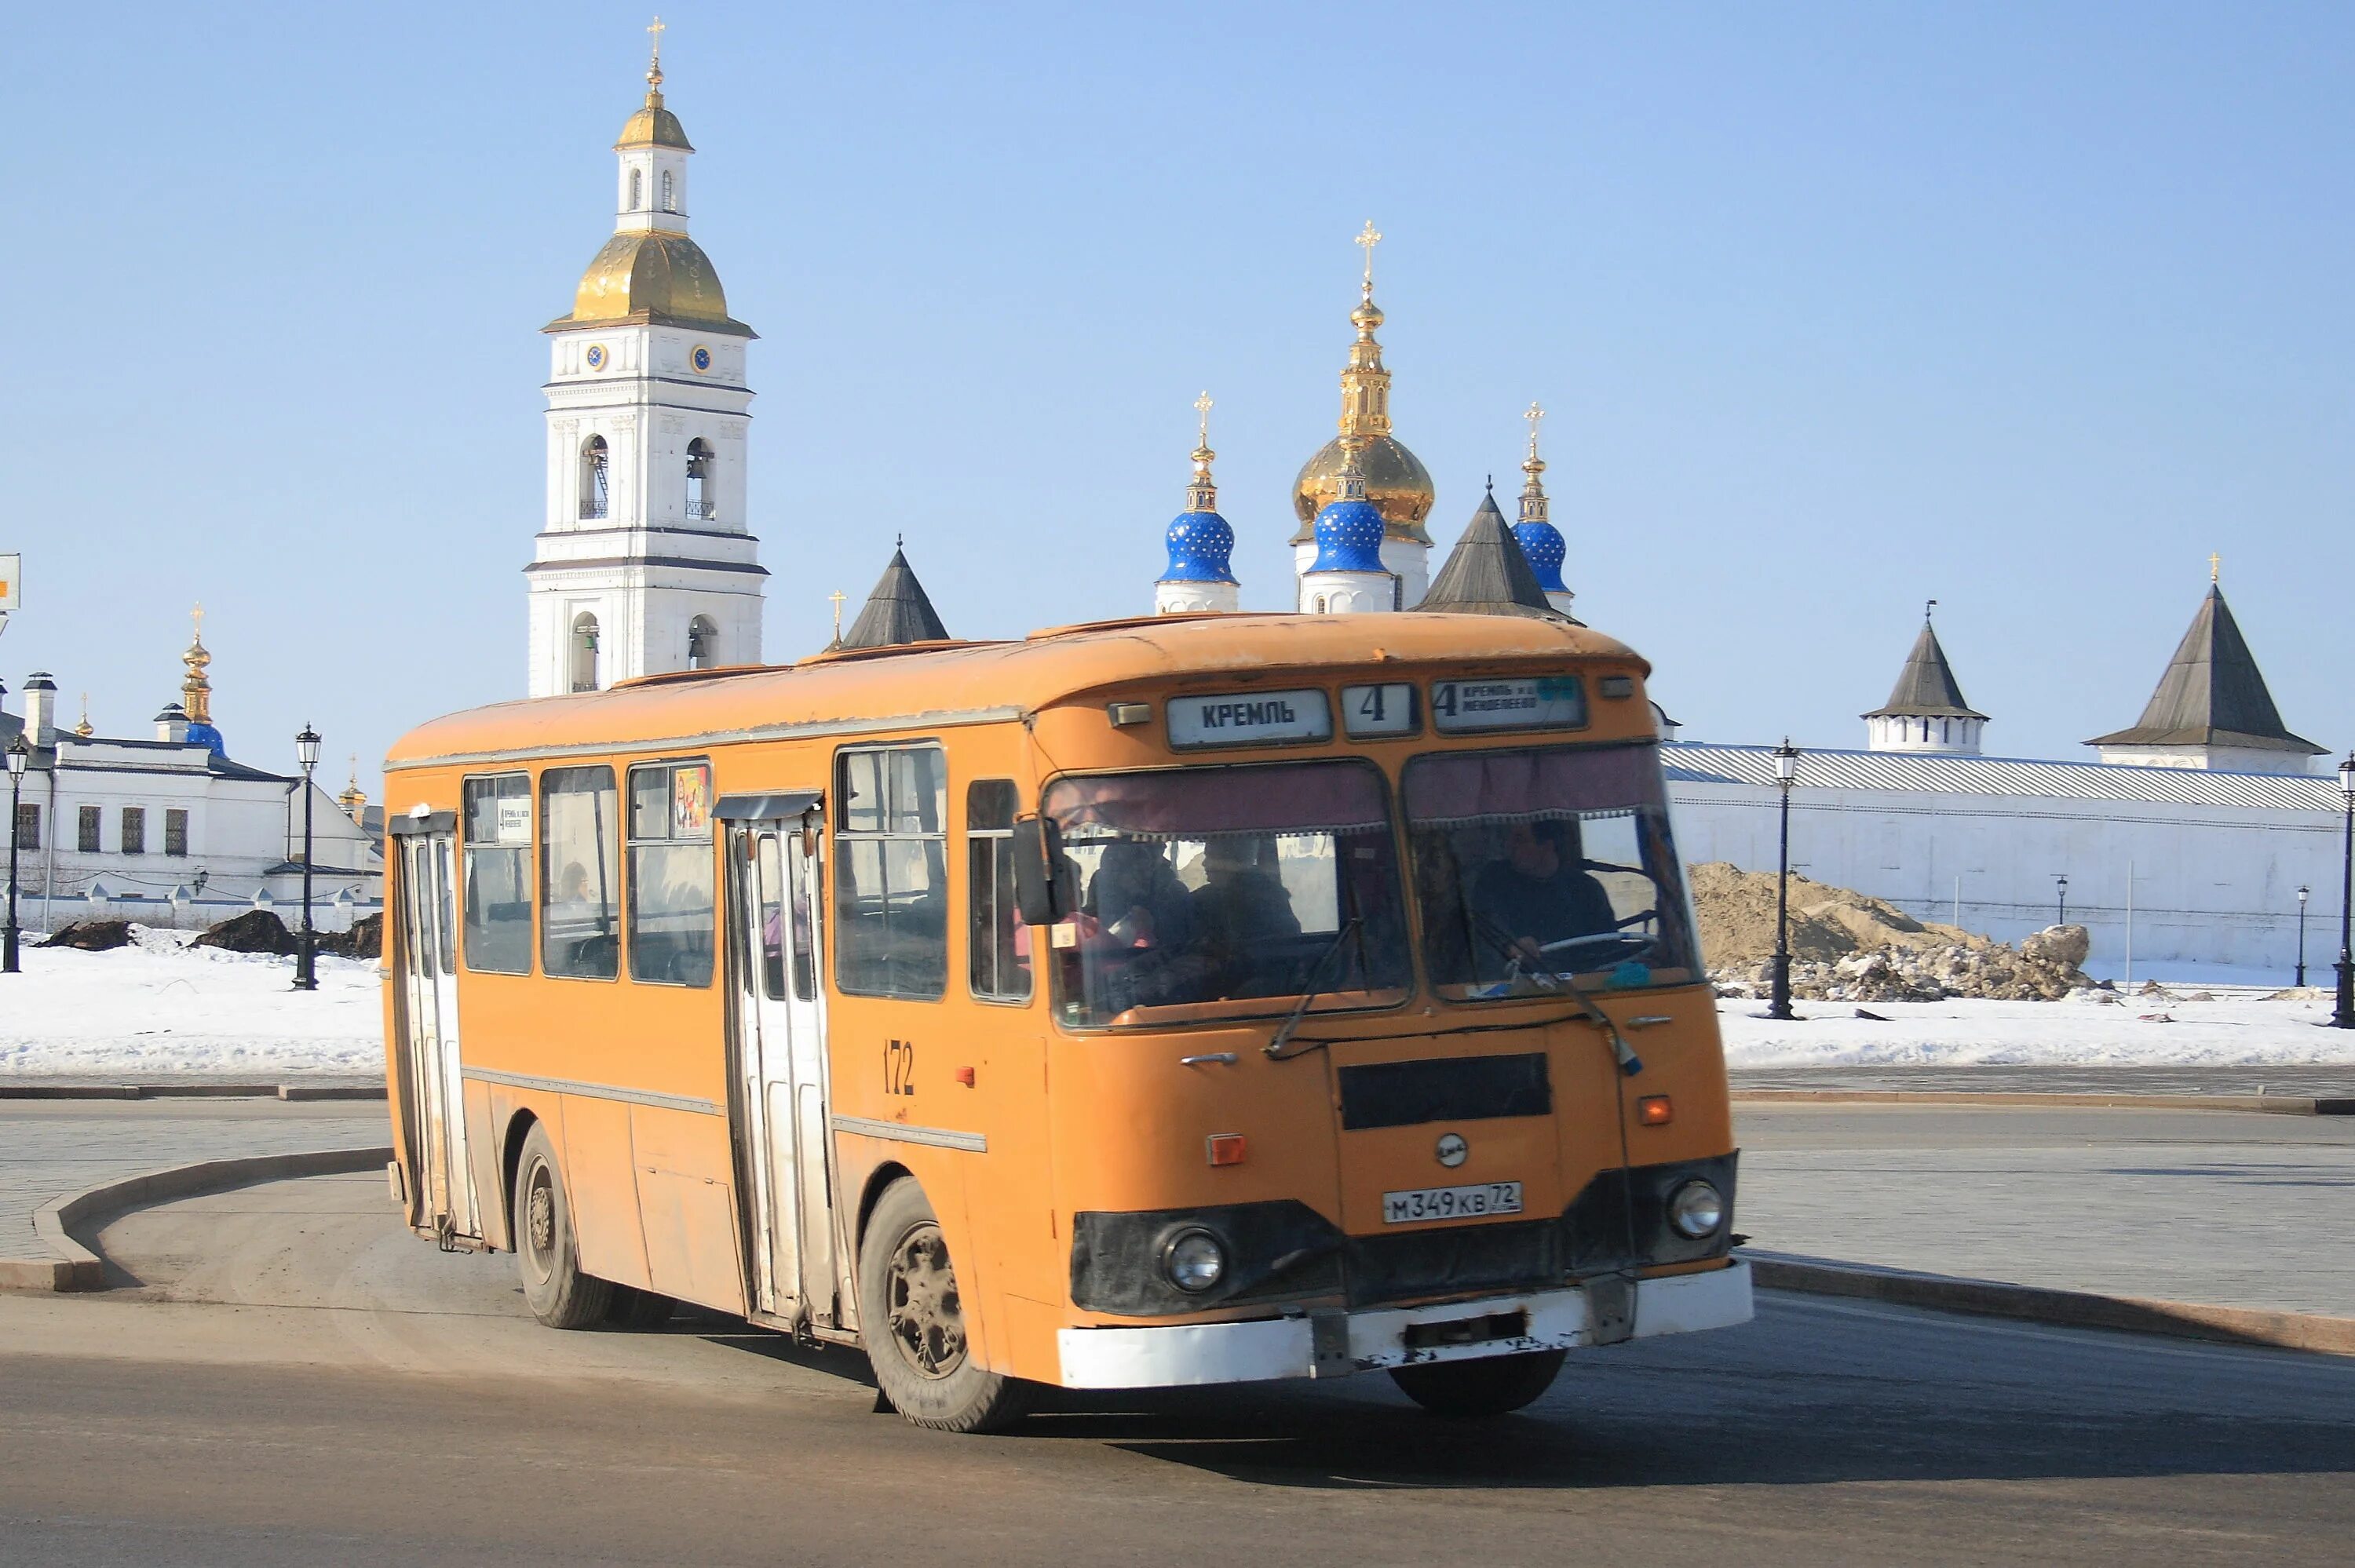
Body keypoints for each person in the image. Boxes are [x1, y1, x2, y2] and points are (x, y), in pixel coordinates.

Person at [1470, 819, 1619, 970]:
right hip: (1517, 987)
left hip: (1580, 986)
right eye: (1510, 839)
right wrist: (1511, 945)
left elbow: (1608, 947)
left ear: (1547, 846)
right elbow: (1485, 922)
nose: (1510, 846)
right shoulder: (1495, 880)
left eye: (1520, 840)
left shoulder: (1587, 889)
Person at [1189, 837, 1302, 994]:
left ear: (1232, 862)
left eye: (1211, 857)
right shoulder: (1272, 896)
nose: (1204, 864)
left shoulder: (1260, 903)